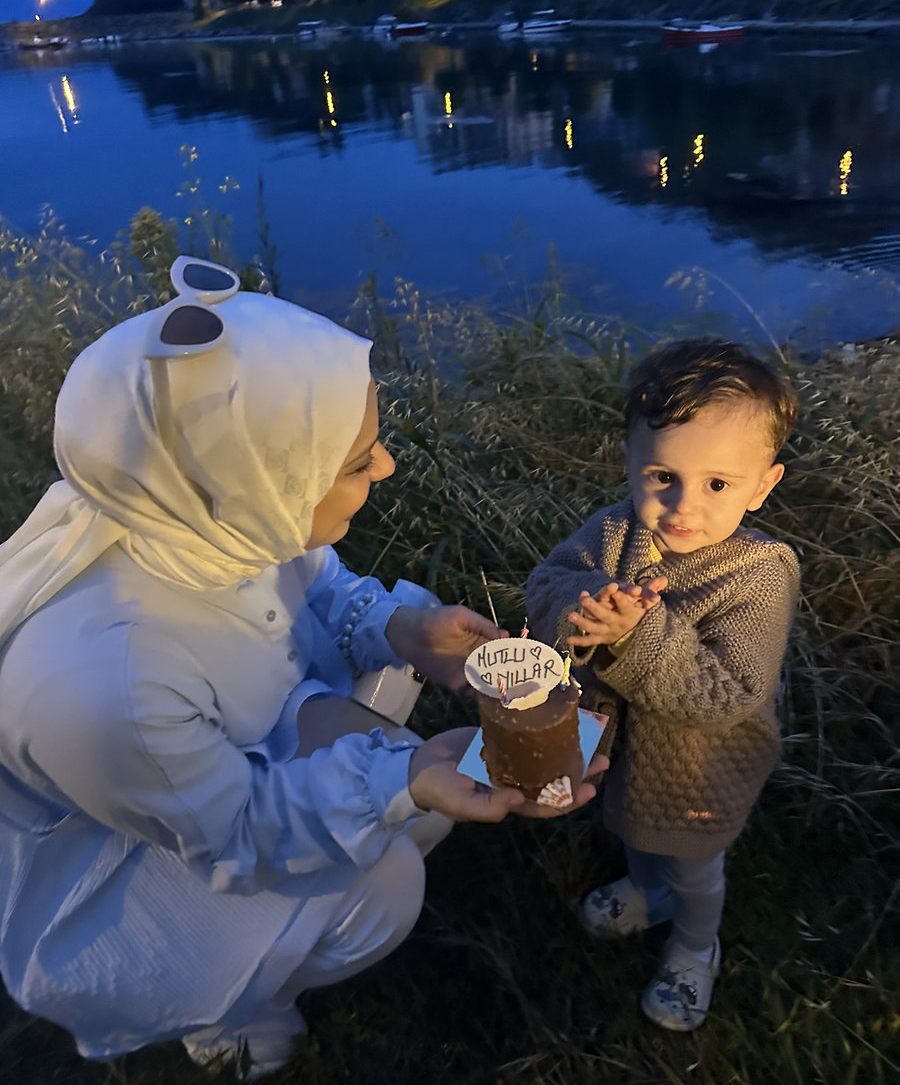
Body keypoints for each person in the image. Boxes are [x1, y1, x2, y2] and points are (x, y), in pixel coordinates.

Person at [0, 257, 602, 1080]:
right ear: (252, 483)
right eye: (357, 461)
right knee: (390, 883)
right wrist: (406, 777)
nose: (385, 467)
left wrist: (402, 629)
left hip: (209, 763)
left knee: (407, 807)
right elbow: (238, 830)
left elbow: (315, 582)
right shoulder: (108, 684)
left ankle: (324, 879)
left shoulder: (194, 507)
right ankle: (230, 1010)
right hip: (123, 867)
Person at [526, 338, 800, 1032]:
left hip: (698, 767)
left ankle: (695, 945)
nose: (683, 506)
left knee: (694, 866)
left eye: (717, 485)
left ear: (763, 485)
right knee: (631, 830)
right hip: (614, 741)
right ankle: (647, 892)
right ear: (629, 459)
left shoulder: (759, 573)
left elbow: (728, 691)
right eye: (662, 476)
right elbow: (549, 580)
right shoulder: (615, 530)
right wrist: (588, 602)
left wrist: (635, 633)